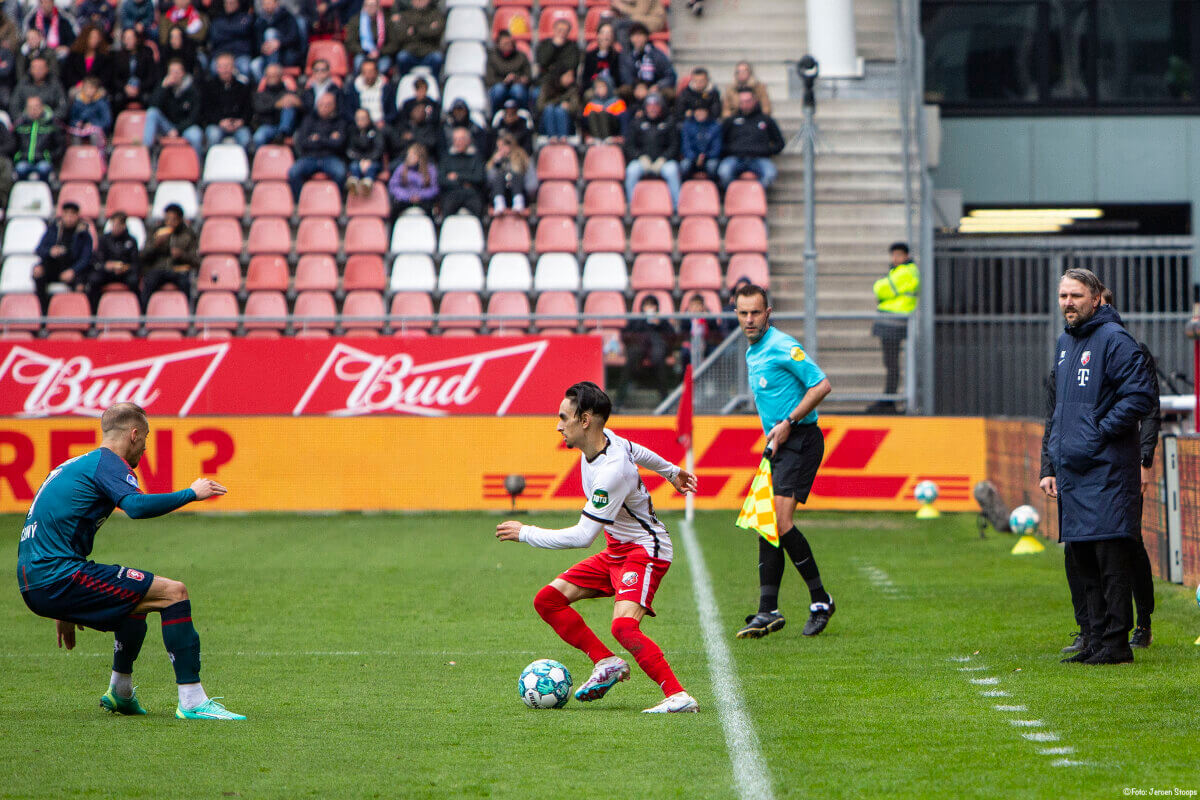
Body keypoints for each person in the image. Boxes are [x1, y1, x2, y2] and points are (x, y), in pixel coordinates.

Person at [17, 402, 245, 720]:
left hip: (37, 578)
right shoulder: (109, 463)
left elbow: (51, 528)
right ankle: (192, 700)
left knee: (134, 600)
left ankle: (120, 692)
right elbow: (135, 506)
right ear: (134, 435)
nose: (146, 448)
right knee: (173, 593)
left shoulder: (72, 466)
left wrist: (61, 608)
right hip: (56, 576)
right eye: (146, 439)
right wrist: (191, 493)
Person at [495, 381, 700, 714]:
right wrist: (672, 471)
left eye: (564, 417)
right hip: (617, 551)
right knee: (548, 601)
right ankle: (606, 662)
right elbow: (638, 449)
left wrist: (525, 532)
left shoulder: (611, 473)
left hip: (645, 551)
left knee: (623, 626)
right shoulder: (609, 442)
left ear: (585, 420)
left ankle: (678, 695)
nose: (558, 425)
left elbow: (581, 536)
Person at [1040, 268, 1155, 666]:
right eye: (1062, 296)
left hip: (1106, 472)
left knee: (1110, 560)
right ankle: (1092, 638)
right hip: (1073, 472)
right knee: (1082, 561)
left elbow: (1140, 396)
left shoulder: (1115, 339)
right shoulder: (1064, 343)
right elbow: (1057, 412)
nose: (1068, 303)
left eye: (1075, 296)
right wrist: (1051, 462)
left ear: (1096, 298)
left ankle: (1116, 644)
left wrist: (1097, 432)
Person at [733, 282, 836, 639]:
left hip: (802, 440)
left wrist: (789, 423)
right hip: (781, 444)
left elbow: (821, 385)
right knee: (767, 523)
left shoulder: (782, 346)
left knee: (780, 520)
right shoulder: (754, 351)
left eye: (755, 312)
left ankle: (821, 600)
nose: (749, 319)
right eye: (743, 313)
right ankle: (768, 611)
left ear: (768, 313)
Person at [868, 242, 919, 414]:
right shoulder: (900, 271)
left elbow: (880, 289)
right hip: (891, 322)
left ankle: (890, 400)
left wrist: (880, 285)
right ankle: (889, 398)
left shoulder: (906, 272)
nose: (895, 258)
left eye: (898, 255)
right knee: (890, 363)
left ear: (906, 256)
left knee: (891, 364)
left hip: (894, 323)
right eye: (893, 255)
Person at [615, 294, 677, 406]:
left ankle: (665, 401)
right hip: (638, 350)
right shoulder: (636, 321)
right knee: (631, 361)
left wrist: (658, 324)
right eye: (647, 305)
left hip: (657, 352)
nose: (649, 308)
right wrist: (643, 322)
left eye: (652, 305)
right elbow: (625, 334)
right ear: (642, 307)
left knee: (659, 360)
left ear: (657, 308)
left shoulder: (662, 321)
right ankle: (619, 401)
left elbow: (672, 335)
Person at [623, 93, 680, 212]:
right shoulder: (637, 123)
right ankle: (632, 205)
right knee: (632, 171)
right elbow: (629, 146)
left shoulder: (669, 122)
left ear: (661, 107)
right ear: (645, 107)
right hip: (643, 161)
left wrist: (664, 158)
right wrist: (640, 157)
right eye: (650, 106)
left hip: (663, 162)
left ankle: (676, 208)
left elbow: (675, 145)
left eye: (656, 106)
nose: (653, 108)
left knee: (672, 171)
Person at [717, 87, 784, 189]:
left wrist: (766, 150)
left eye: (748, 101)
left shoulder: (766, 120)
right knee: (724, 172)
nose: (745, 104)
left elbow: (779, 143)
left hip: (759, 158)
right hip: (736, 158)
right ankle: (735, 195)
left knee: (770, 174)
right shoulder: (730, 121)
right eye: (742, 101)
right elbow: (720, 142)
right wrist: (732, 150)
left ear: (755, 101)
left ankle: (754, 194)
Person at [288, 90, 349, 199]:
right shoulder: (309, 119)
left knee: (340, 173)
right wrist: (328, 139)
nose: (324, 107)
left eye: (328, 105)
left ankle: (335, 199)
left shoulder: (340, 121)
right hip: (310, 157)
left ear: (334, 106)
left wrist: (318, 139)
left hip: (331, 157)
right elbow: (302, 142)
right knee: (293, 173)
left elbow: (339, 144)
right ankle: (301, 201)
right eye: (321, 104)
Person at [33, 201, 92, 311]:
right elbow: (39, 249)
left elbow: (86, 258)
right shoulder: (53, 229)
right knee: (38, 273)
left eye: (72, 214)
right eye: (67, 214)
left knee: (81, 285)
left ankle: (76, 313)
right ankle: (44, 312)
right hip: (55, 266)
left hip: (73, 268)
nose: (69, 217)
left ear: (77, 216)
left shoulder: (84, 234)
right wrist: (50, 251)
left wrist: (73, 270)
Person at [139, 203, 199, 307]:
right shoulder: (156, 231)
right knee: (149, 281)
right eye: (167, 219)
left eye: (173, 220)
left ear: (180, 219)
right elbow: (143, 256)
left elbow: (196, 261)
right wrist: (156, 245)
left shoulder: (188, 234)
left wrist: (182, 255)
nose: (169, 223)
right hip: (159, 268)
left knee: (185, 283)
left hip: (178, 269)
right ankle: (144, 313)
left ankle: (187, 312)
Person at [142, 58, 204, 153]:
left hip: (185, 127)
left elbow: (194, 117)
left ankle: (197, 165)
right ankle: (145, 152)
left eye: (177, 72)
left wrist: (177, 130)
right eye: (171, 72)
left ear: (183, 73)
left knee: (196, 135)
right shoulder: (164, 87)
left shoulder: (192, 90)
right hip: (167, 125)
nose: (174, 75)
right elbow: (153, 105)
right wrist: (162, 88)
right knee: (152, 113)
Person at [534, 17, 579, 140]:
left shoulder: (572, 48)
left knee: (560, 110)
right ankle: (543, 132)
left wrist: (556, 71)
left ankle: (564, 137)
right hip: (545, 83)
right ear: (553, 30)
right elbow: (542, 61)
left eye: (565, 30)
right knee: (537, 97)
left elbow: (571, 65)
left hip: (564, 86)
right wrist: (554, 46)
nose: (562, 33)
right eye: (559, 30)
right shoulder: (544, 45)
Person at [88, 211, 140, 310]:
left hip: (124, 273)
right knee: (94, 280)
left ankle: (137, 310)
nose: (115, 227)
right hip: (107, 273)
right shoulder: (104, 240)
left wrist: (124, 268)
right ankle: (93, 311)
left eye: (118, 225)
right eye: (113, 224)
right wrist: (106, 266)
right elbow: (97, 260)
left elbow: (135, 264)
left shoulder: (131, 241)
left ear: (124, 225)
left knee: (134, 281)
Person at [617, 23, 676, 108]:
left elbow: (670, 75)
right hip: (635, 88)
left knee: (669, 93)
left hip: (655, 87)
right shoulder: (627, 56)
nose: (638, 39)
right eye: (634, 35)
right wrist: (637, 87)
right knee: (623, 91)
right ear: (630, 38)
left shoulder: (657, 54)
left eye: (640, 35)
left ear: (646, 37)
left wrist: (657, 86)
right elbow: (625, 76)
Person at [202, 52, 253, 148]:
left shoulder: (242, 87)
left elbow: (249, 109)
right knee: (213, 136)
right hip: (217, 124)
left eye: (227, 66)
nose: (224, 70)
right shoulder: (209, 87)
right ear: (217, 68)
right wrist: (220, 122)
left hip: (238, 125)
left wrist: (241, 121)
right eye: (221, 67)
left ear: (233, 68)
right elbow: (206, 111)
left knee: (245, 138)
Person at [110, 28, 160, 118]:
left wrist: (139, 88)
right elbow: (114, 78)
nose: (127, 41)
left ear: (136, 39)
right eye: (125, 38)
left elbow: (152, 77)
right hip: (124, 89)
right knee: (116, 99)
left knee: (149, 99)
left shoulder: (146, 54)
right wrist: (125, 87)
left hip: (142, 89)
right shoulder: (118, 56)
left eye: (130, 38)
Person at [13, 95, 62, 183]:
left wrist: (49, 156)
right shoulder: (20, 125)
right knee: (20, 169)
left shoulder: (51, 124)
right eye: (30, 107)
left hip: (43, 160)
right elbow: (13, 144)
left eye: (36, 107)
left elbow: (60, 146)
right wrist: (18, 156)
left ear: (42, 107)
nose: (33, 110)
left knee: (43, 169)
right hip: (24, 160)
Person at [251, 62, 301, 147]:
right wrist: (276, 104)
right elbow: (259, 108)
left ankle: (282, 133)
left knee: (288, 104)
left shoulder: (289, 93)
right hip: (268, 126)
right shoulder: (260, 93)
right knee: (258, 137)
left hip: (288, 128)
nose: (272, 78)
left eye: (275, 75)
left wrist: (298, 103)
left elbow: (300, 109)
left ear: (281, 76)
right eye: (269, 75)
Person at [438, 125, 484, 217]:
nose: (458, 142)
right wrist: (464, 183)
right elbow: (441, 180)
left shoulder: (476, 157)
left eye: (461, 139)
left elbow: (479, 178)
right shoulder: (446, 158)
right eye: (456, 139)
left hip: (471, 193)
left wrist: (458, 176)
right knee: (447, 207)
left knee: (478, 207)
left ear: (468, 140)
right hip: (452, 193)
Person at [251, 0, 303, 80]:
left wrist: (279, 43)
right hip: (266, 56)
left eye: (270, 3)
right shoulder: (260, 21)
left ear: (276, 4)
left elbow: (294, 37)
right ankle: (266, 87)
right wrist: (262, 48)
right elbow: (256, 42)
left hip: (285, 55)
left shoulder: (287, 16)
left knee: (270, 33)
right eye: (265, 4)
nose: (267, 6)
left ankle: (272, 69)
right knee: (255, 65)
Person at [485, 131, 534, 216]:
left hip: (519, 192)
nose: (500, 150)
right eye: (498, 147)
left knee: (515, 175)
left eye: (503, 146)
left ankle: (518, 202)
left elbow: (531, 183)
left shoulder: (523, 158)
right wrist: (495, 164)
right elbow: (489, 180)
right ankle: (499, 203)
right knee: (499, 176)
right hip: (500, 193)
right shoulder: (495, 160)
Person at [345, 0, 399, 74]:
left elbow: (394, 43)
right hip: (363, 53)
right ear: (364, 7)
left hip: (382, 54)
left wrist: (379, 52)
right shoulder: (355, 21)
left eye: (373, 5)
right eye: (368, 5)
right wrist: (365, 51)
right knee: (358, 62)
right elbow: (350, 43)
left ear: (378, 7)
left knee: (383, 67)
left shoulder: (387, 21)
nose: (370, 8)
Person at [394, 0, 444, 80]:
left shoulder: (436, 15)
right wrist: (428, 28)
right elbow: (401, 36)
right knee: (402, 57)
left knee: (437, 58)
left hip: (429, 53)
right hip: (411, 53)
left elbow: (436, 32)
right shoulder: (405, 15)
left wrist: (415, 30)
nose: (420, 1)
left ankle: (436, 85)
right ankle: (403, 84)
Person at [207, 0, 256, 78]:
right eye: (227, 3)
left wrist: (225, 31)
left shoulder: (245, 18)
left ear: (238, 4)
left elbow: (244, 29)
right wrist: (237, 33)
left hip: (240, 54)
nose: (229, 5)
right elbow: (216, 37)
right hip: (221, 54)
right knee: (213, 67)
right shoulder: (217, 20)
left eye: (232, 3)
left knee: (245, 67)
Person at [388, 141, 438, 215]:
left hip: (423, 200)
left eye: (412, 156)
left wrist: (420, 196)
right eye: (408, 155)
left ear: (420, 157)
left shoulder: (430, 169)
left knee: (430, 210)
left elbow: (434, 188)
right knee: (394, 210)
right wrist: (407, 196)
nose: (409, 158)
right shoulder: (401, 168)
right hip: (405, 199)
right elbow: (393, 186)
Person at [10, 54, 67, 120]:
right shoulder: (23, 83)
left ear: (47, 69)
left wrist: (51, 118)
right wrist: (23, 118)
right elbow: (14, 105)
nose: (37, 71)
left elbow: (63, 106)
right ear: (30, 69)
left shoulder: (55, 84)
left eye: (40, 68)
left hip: (50, 123)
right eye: (34, 68)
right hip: (26, 123)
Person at [485, 29, 530, 111]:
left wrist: (519, 79)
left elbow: (528, 76)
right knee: (498, 90)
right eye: (506, 44)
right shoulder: (492, 57)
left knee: (518, 90)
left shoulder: (521, 56)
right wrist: (504, 81)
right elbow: (489, 80)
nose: (509, 45)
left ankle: (523, 117)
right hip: (500, 85)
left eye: (511, 43)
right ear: (498, 44)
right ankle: (496, 118)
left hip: (517, 85)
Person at [65, 75, 112, 153]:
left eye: (92, 88)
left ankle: (97, 157)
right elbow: (72, 119)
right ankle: (77, 157)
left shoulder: (102, 103)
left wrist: (93, 124)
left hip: (97, 131)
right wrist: (77, 123)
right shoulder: (77, 103)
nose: (90, 91)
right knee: (75, 136)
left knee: (94, 135)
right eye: (87, 88)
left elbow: (107, 121)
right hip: (81, 130)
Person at [61, 24, 113, 92]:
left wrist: (93, 86)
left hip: (97, 87)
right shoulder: (74, 55)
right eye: (91, 37)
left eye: (96, 38)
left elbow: (106, 76)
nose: (94, 40)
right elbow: (69, 74)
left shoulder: (105, 56)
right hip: (78, 86)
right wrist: (80, 84)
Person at [346, 106, 383, 197]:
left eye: (363, 118)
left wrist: (368, 160)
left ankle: (367, 184)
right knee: (354, 166)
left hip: (373, 161)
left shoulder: (376, 131)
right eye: (358, 119)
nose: (360, 121)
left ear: (369, 118)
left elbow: (379, 149)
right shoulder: (352, 131)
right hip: (358, 160)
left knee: (372, 167)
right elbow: (349, 151)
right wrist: (361, 160)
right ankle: (354, 184)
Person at [680, 101, 721, 181]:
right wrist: (695, 157)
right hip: (692, 158)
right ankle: (685, 187)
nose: (700, 113)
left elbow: (717, 148)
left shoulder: (715, 126)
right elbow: (686, 146)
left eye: (703, 111)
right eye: (698, 111)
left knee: (712, 165)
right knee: (684, 165)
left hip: (709, 157)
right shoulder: (687, 125)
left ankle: (715, 188)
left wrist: (704, 156)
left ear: (707, 112)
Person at [346, 57, 387, 125]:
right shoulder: (354, 88)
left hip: (382, 124)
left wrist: (384, 121)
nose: (368, 75)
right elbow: (349, 110)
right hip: (359, 125)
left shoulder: (386, 88)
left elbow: (392, 112)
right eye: (365, 72)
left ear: (376, 72)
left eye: (371, 71)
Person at [580, 22, 621, 89]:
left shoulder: (616, 56)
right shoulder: (590, 56)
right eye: (603, 33)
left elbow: (617, 79)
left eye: (609, 33)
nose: (605, 36)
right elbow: (585, 78)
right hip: (593, 89)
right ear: (598, 35)